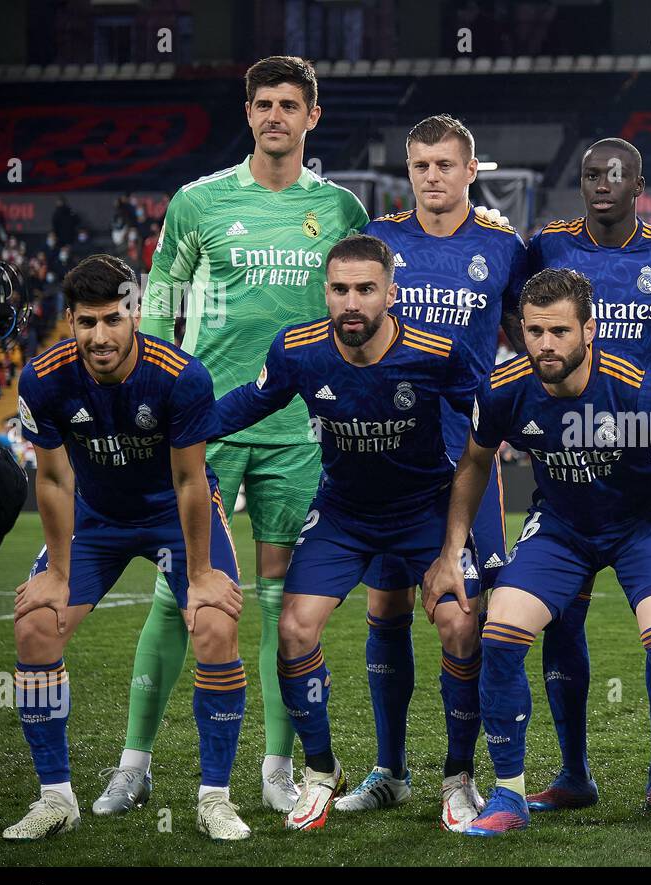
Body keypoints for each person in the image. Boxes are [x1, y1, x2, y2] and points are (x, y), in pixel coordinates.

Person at [94, 56, 371, 818]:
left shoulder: (342, 210)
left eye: (289, 104)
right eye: (262, 104)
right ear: (247, 113)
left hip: (300, 431)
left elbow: (360, 310)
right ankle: (134, 763)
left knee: (284, 603)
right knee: (177, 592)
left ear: (313, 116)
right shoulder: (198, 202)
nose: (275, 115)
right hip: (204, 427)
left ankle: (276, 769)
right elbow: (158, 309)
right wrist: (145, 397)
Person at [422, 267, 651, 839]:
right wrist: (451, 550)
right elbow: (475, 465)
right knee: (500, 633)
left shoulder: (639, 390)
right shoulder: (506, 387)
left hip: (642, 526)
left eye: (559, 331)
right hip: (561, 526)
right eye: (534, 331)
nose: (545, 345)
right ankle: (508, 792)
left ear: (590, 329)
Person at [207, 234, 486, 831]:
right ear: (325, 291)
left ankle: (458, 777)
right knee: (293, 627)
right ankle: (320, 771)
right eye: (339, 289)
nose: (351, 302)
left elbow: (488, 424)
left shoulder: (438, 351)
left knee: (462, 623)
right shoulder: (298, 350)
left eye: (365, 289)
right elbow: (248, 404)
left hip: (424, 510)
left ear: (390, 292)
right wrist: (181, 423)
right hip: (344, 514)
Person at [7, 254, 247, 840]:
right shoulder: (43, 378)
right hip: (97, 518)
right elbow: (55, 480)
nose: (99, 336)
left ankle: (214, 798)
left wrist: (200, 574)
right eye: (86, 323)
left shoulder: (180, 376)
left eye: (112, 319)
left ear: (135, 314)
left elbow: (191, 481)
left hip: (174, 512)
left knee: (214, 624)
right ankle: (56, 799)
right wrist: (57, 572)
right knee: (37, 623)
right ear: (70, 321)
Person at [346, 115, 529, 817]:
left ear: (471, 170)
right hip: (387, 457)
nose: (432, 176)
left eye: (446, 164)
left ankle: (459, 777)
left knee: (461, 619)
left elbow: (540, 326)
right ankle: (389, 770)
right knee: (387, 606)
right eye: (420, 164)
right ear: (408, 169)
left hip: (468, 463)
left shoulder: (502, 246)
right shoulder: (381, 242)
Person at [522, 137, 651, 813]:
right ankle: (574, 773)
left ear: (639, 184)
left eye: (616, 174)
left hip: (648, 463)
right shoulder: (548, 247)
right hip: (568, 459)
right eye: (591, 173)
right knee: (558, 620)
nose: (602, 184)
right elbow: (527, 317)